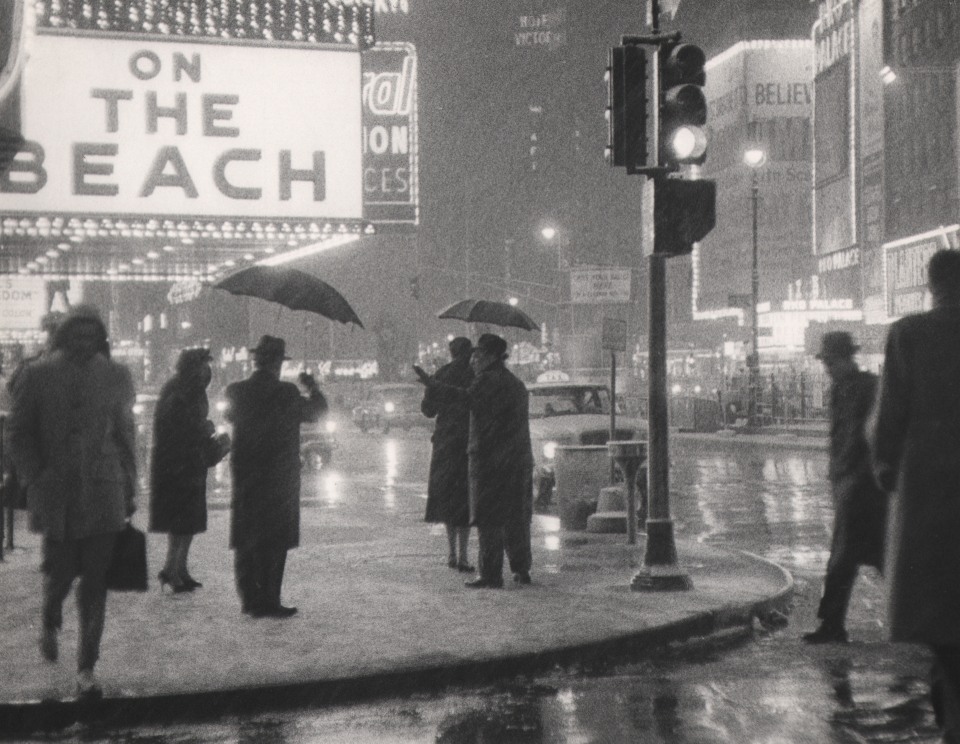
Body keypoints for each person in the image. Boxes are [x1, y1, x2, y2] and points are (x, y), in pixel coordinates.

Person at [8, 304, 137, 700]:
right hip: (57, 492)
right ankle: (50, 620)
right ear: (63, 336)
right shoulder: (38, 375)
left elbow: (125, 433)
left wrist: (131, 484)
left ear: (100, 337)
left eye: (91, 335)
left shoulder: (115, 375)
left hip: (103, 490)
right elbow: (20, 433)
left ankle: (86, 667)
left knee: (95, 583)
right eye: (76, 334)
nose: (85, 342)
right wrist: (35, 475)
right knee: (60, 577)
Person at [869, 248, 960, 741]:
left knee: (939, 612)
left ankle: (951, 718)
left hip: (928, 485)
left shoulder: (909, 335)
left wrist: (885, 464)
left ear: (931, 285)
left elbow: (889, 412)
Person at [415, 333, 533, 589]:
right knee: (516, 517)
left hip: (492, 460)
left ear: (490, 357)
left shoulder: (488, 381)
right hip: (518, 459)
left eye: (477, 356)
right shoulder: (515, 383)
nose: (473, 361)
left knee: (489, 518)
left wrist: (433, 384)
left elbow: (466, 398)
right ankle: (521, 568)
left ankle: (490, 575)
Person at [225, 336, 327, 618]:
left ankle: (249, 598)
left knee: (247, 538)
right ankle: (269, 598)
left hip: (247, 474)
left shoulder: (237, 391)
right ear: (277, 363)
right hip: (278, 477)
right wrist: (313, 388)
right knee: (275, 541)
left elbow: (232, 417)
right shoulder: (286, 393)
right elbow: (315, 412)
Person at [803, 331, 886, 644]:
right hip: (851, 486)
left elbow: (869, 436)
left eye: (829, 361)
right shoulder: (840, 389)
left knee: (843, 559)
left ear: (844, 358)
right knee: (873, 558)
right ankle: (832, 624)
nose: (826, 367)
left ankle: (832, 625)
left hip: (863, 487)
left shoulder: (868, 387)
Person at [149, 348, 230, 594]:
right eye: (204, 365)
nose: (208, 371)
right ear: (193, 367)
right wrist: (205, 428)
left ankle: (178, 569)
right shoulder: (181, 391)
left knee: (188, 522)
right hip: (178, 466)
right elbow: (179, 424)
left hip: (187, 464)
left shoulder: (189, 388)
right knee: (182, 522)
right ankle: (172, 570)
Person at [421, 337, 475, 572]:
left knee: (448, 498)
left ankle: (452, 553)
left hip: (444, 443)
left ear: (451, 352)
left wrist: (431, 387)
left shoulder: (440, 375)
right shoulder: (475, 375)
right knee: (465, 499)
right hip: (468, 441)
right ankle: (463, 555)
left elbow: (428, 410)